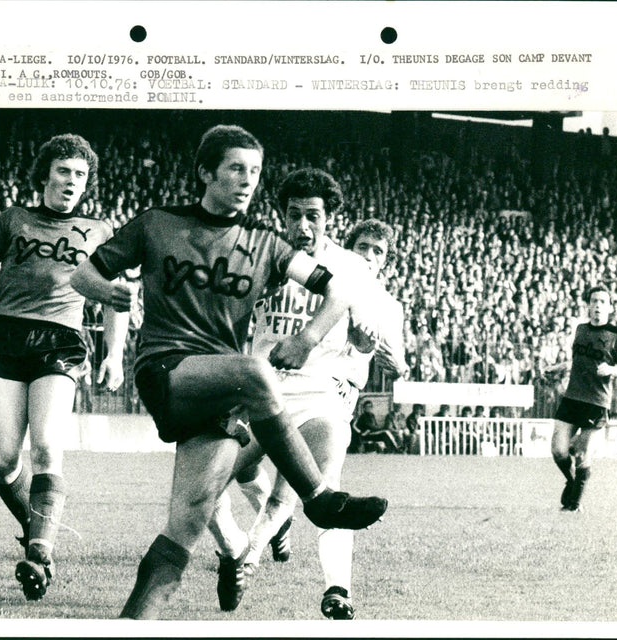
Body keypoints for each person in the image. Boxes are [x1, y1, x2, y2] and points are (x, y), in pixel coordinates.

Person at [70, 127, 387, 620]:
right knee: (259, 373)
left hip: (223, 393)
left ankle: (133, 624)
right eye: (236, 168)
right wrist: (106, 291)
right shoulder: (158, 223)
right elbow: (83, 273)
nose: (247, 181)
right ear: (205, 172)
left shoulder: (266, 245)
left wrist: (305, 339)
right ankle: (320, 499)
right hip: (168, 370)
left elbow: (339, 292)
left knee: (187, 524)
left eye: (255, 172)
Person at [0, 134, 128, 601]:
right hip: (6, 337)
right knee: (5, 462)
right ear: (45, 174)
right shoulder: (13, 219)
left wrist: (113, 353)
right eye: (64, 171)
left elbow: (117, 300)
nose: (72, 181)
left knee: (47, 446)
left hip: (60, 341)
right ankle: (37, 529)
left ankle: (39, 552)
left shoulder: (100, 230)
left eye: (81, 174)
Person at [206, 200, 406, 619]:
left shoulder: (384, 304)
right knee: (220, 479)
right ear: (348, 250)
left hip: (329, 395)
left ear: (387, 261)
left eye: (379, 251)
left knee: (315, 489)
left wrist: (379, 350)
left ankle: (331, 587)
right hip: (270, 389)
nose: (369, 256)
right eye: (363, 247)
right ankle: (245, 548)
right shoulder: (306, 274)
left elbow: (388, 355)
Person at [548, 286, 617, 512]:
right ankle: (572, 482)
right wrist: (560, 367)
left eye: (603, 302)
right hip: (572, 398)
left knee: (582, 454)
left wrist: (612, 370)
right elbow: (579, 362)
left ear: (610, 307)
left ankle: (574, 504)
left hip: (596, 403)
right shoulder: (580, 330)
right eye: (594, 301)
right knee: (558, 451)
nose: (597, 306)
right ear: (588, 305)